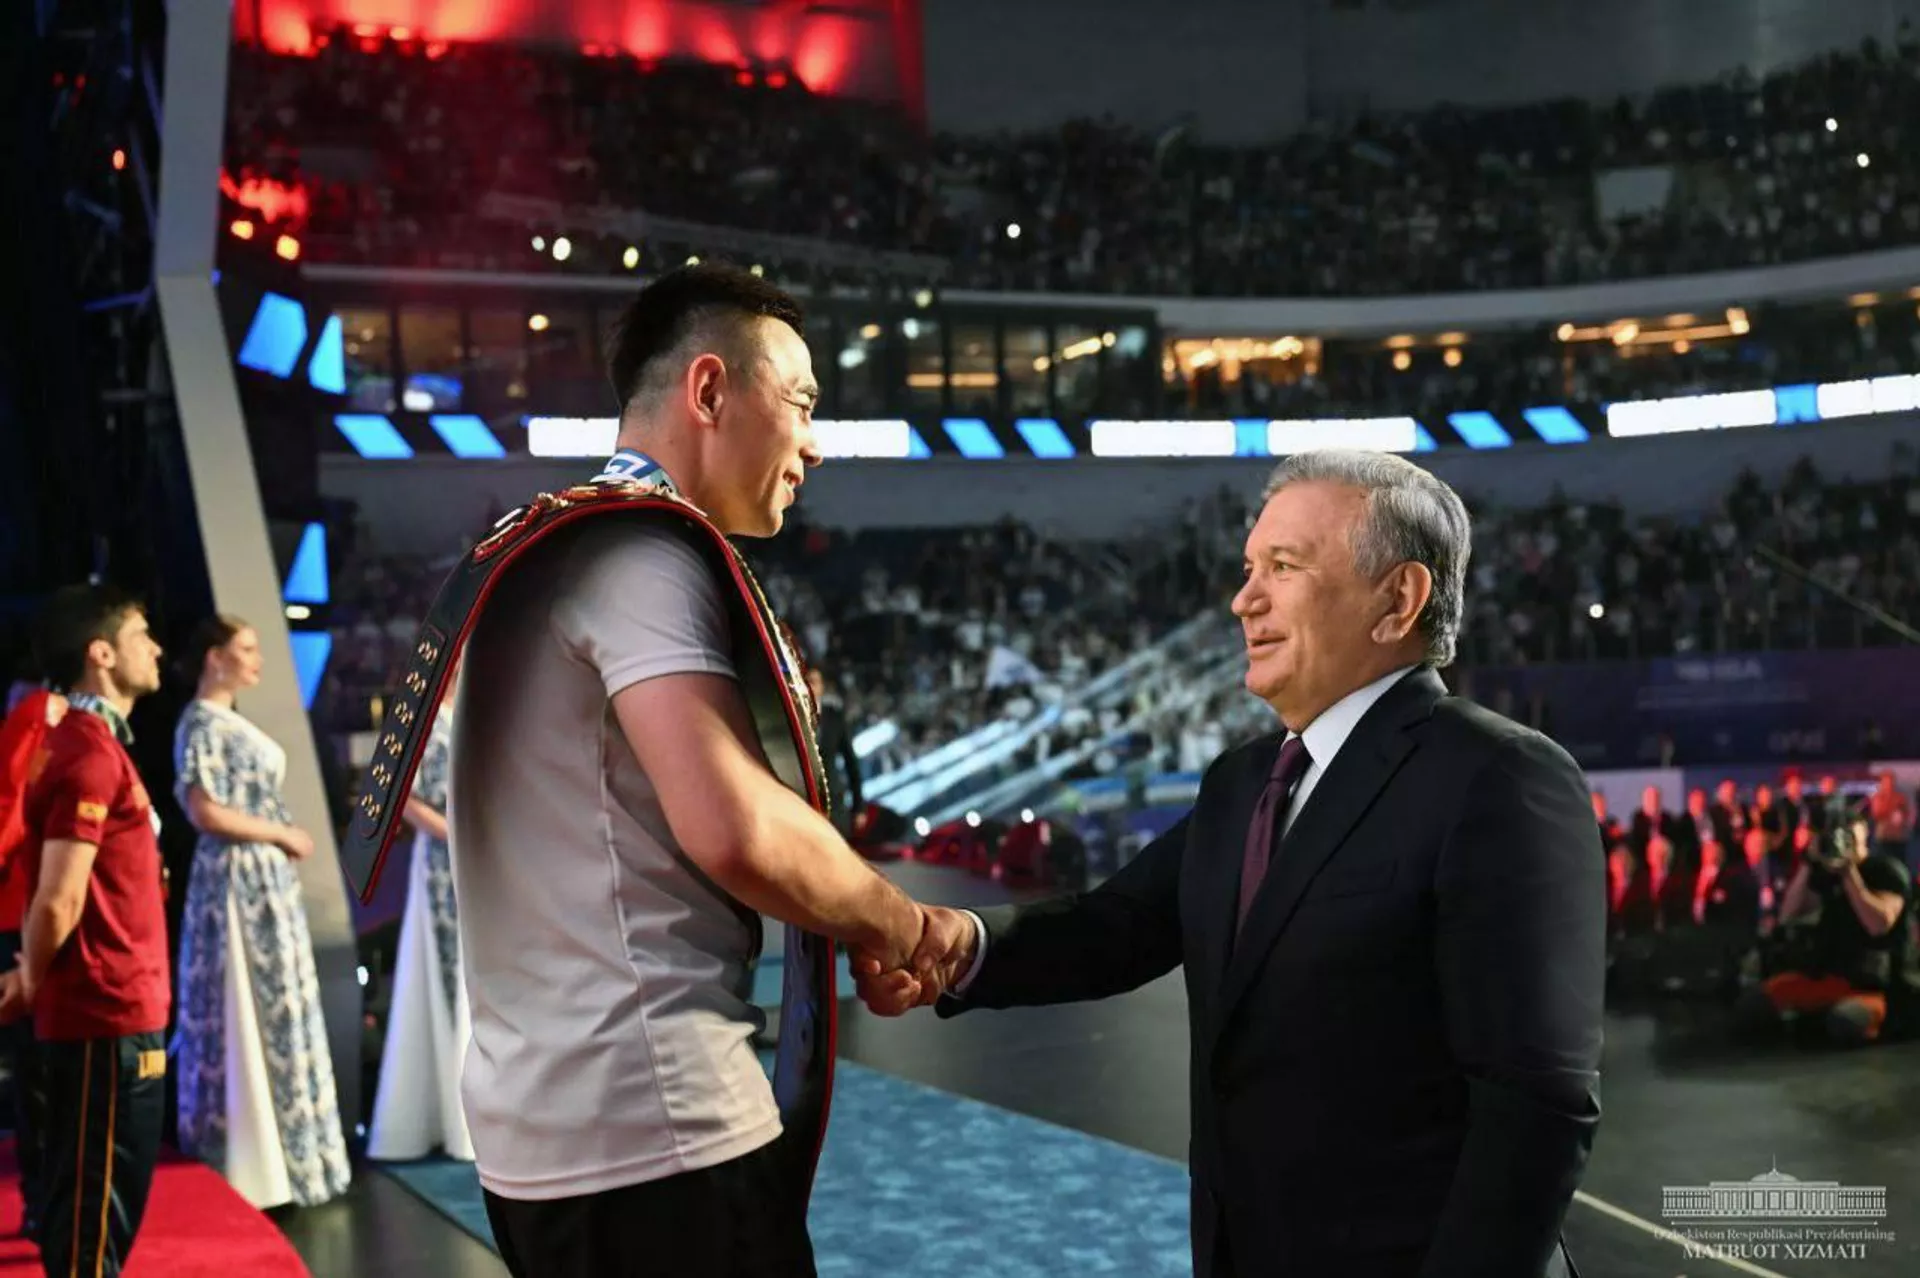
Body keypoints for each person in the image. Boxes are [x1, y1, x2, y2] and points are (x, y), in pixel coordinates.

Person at [858, 449, 1607, 1278]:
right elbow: (1119, 926)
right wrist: (957, 944)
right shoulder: (1244, 781)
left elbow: (1535, 1108)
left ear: (1398, 600)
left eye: (1283, 567)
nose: (1243, 599)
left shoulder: (1498, 776)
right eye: (1250, 568)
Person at [449, 264, 933, 1277]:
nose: (814, 443)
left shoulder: (541, 540)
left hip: (545, 1122)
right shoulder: (645, 554)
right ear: (710, 390)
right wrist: (899, 922)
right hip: (655, 1122)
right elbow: (736, 827)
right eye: (802, 403)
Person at [0, 584, 169, 1277]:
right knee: (91, 1225)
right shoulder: (87, 753)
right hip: (106, 1010)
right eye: (140, 635)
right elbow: (59, 898)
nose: (156, 649)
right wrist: (30, 978)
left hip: (117, 1007)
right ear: (101, 653)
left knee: (91, 1212)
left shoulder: (88, 745)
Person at [172, 616, 352, 1207]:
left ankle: (284, 1159)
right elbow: (204, 809)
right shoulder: (201, 721)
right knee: (247, 1007)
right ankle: (250, 1162)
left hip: (260, 881)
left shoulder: (224, 721)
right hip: (238, 882)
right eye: (246, 648)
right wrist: (279, 833)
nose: (257, 659)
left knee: (272, 1007)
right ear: (214, 657)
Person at [367, 677, 473, 1162]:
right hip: (443, 862)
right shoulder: (424, 722)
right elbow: (402, 796)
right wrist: (454, 834)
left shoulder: (473, 710)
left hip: (477, 853)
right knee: (449, 977)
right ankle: (455, 1113)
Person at [1742, 801, 1911, 1044]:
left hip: (1872, 981)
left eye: (1850, 832)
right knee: (1755, 1005)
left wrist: (1848, 872)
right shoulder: (1826, 875)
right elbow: (1788, 914)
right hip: (1829, 973)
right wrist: (1809, 862)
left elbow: (1878, 924)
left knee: (1845, 1021)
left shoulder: (1887, 871)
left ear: (1864, 833)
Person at [0, 680, 65, 1238]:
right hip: (23, 917)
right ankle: (46, 1201)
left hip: (41, 915)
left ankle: (50, 1200)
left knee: (44, 1069)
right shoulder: (31, 725)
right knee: (39, 1069)